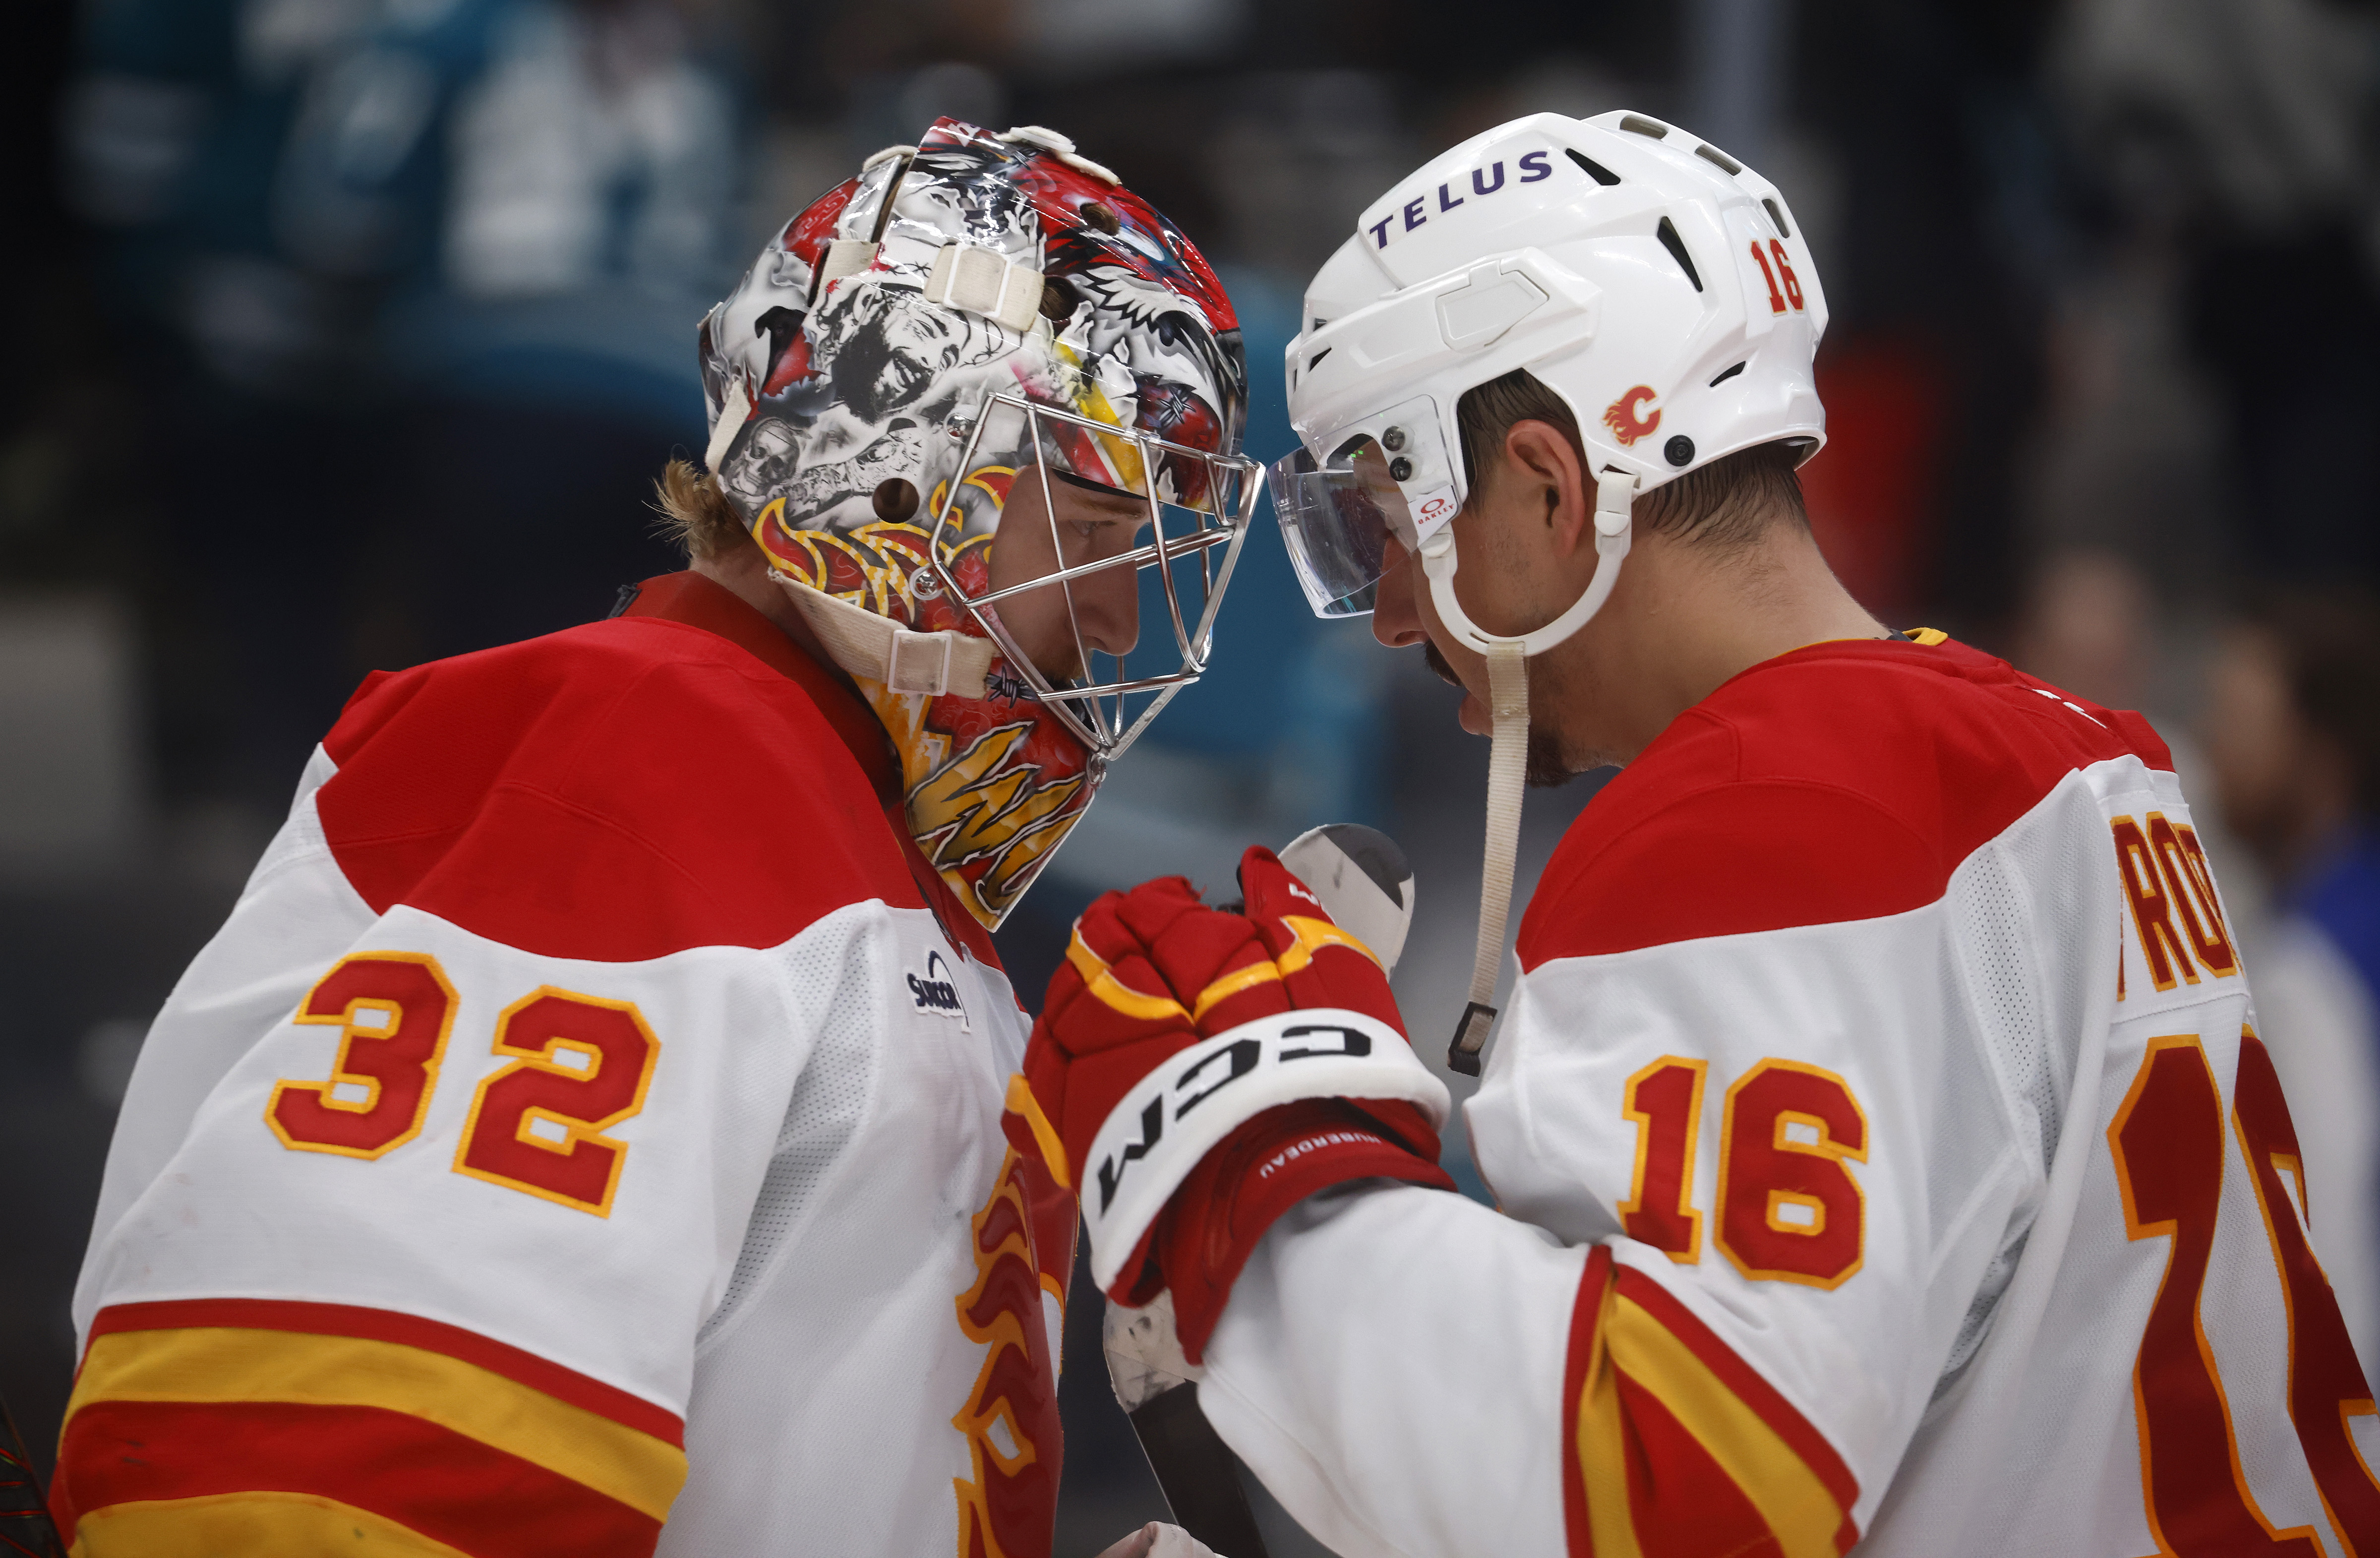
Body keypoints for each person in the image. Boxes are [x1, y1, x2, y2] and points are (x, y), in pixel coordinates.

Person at [1006, 110, 2380, 1556]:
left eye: (1382, 521)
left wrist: (1260, 1150)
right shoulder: (2077, 751)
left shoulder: (1774, 810)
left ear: (1547, 486)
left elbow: (1679, 1490)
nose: (1394, 613)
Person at [55, 118, 1256, 1556]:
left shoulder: (838, 839)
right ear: (901, 453)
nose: (1120, 619)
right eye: (1100, 520)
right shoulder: (650, 754)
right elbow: (325, 1489)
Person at [2203, 592, 2380, 1387]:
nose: (2214, 750)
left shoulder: (2311, 963)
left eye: (2242, 721)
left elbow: (2331, 1245)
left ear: (2319, 754)